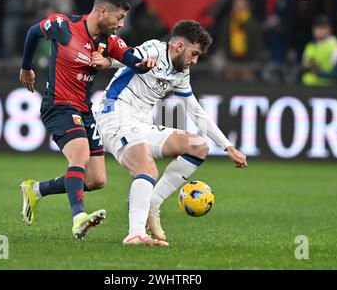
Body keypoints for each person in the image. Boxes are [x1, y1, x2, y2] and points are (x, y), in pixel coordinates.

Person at [93, 20, 248, 246]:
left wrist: (228, 147)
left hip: (140, 124)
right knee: (146, 169)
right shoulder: (154, 49)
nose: (194, 61)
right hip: (114, 115)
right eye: (193, 54)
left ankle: (153, 204)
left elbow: (196, 112)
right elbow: (127, 56)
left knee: (198, 146)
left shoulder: (181, 73)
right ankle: (135, 233)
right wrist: (107, 61)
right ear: (178, 46)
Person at [18, 0, 156, 239]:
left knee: (96, 180)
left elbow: (130, 59)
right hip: (58, 104)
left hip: (84, 110)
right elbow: (32, 32)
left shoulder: (109, 42)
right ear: (103, 11)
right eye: (119, 18)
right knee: (79, 157)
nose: (121, 24)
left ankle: (35, 190)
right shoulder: (62, 25)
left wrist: (143, 65)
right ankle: (78, 217)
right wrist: (26, 68)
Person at [302, 15, 337, 86]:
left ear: (330, 29)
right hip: (309, 86)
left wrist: (319, 73)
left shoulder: (335, 47)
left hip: (328, 87)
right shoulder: (309, 46)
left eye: (323, 27)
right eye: (317, 27)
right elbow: (306, 67)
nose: (320, 30)